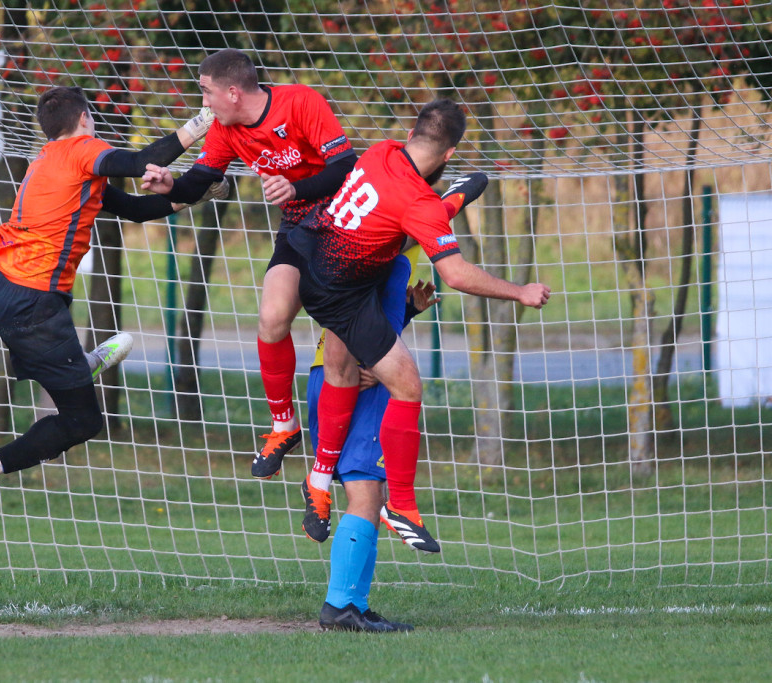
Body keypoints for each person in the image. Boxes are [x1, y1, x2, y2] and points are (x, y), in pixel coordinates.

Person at [0, 85, 226, 529]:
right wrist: (204, 121)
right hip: (30, 297)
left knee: (73, 395)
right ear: (84, 121)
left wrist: (196, 193)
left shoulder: (49, 163)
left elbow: (136, 210)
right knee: (81, 422)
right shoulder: (80, 150)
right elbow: (138, 163)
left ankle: (79, 366)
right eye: (93, 119)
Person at [295, 98, 551, 549]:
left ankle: (318, 480)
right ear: (450, 153)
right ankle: (403, 504)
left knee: (340, 367)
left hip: (315, 266)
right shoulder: (418, 202)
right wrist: (520, 291)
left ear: (412, 133)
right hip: (345, 295)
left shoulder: (381, 152)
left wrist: (453, 197)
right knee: (407, 386)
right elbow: (453, 272)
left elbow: (412, 214)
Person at [140, 48, 357, 480]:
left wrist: (295, 188)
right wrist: (169, 185)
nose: (203, 103)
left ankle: (330, 470)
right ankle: (284, 425)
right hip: (299, 226)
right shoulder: (225, 127)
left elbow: (347, 165)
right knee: (272, 319)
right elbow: (201, 180)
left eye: (206, 92)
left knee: (341, 361)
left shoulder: (300, 102)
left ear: (234, 92)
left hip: (347, 226)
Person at [310, 246, 439, 632]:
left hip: (340, 376)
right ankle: (341, 607)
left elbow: (369, 315)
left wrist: (408, 312)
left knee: (371, 494)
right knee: (367, 495)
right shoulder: (380, 244)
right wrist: (363, 363)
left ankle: (355, 605)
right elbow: (348, 307)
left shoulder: (376, 241)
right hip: (359, 380)